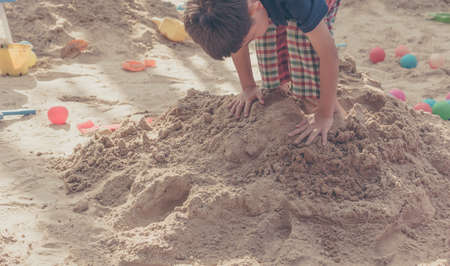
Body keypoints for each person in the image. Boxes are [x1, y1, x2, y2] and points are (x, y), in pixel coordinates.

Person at [184, 0, 342, 145]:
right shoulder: (236, 10)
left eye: (250, 38)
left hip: (310, 4)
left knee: (302, 41)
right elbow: (237, 41)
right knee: (264, 34)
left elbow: (328, 53)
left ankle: (328, 106)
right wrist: (248, 87)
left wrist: (324, 114)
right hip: (273, 7)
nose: (248, 42)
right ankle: (281, 89)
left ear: (254, 6)